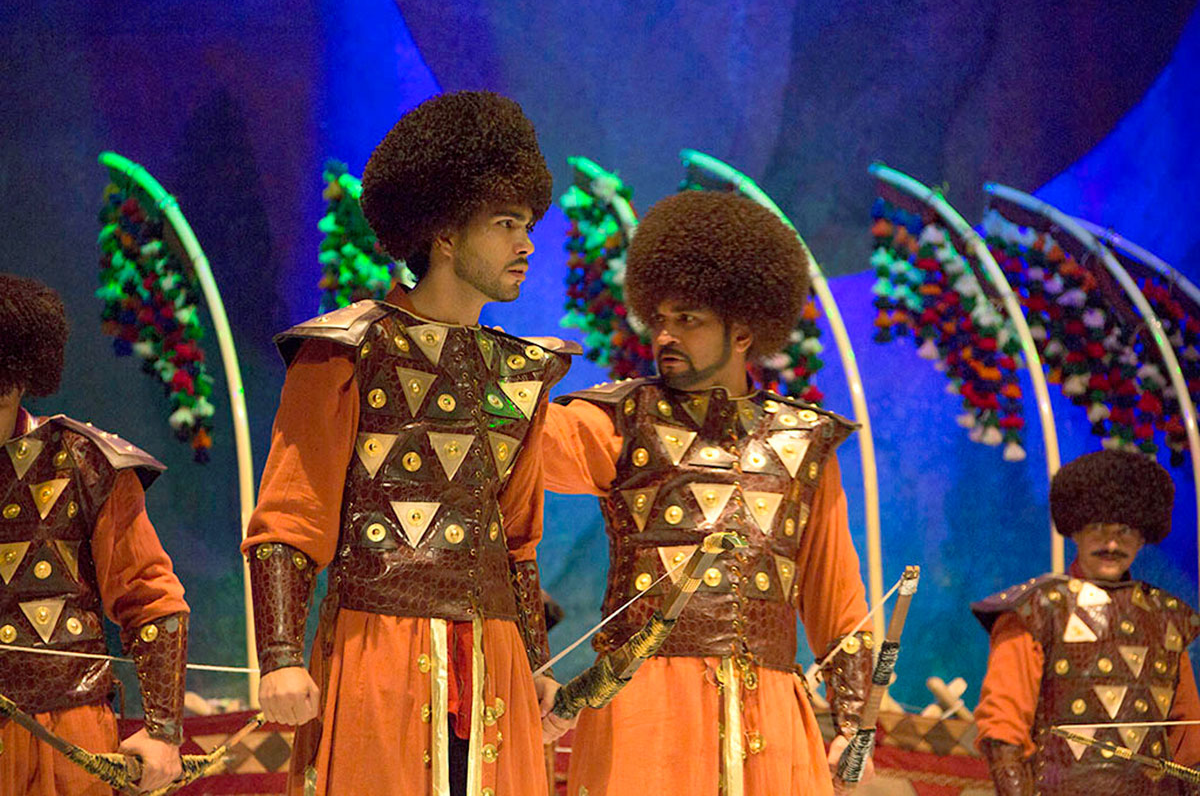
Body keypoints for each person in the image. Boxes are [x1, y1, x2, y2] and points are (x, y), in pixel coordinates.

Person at [244, 91, 576, 795]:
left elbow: (517, 541)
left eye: (528, 225)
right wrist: (280, 657)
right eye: (506, 224)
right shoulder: (343, 351)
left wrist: (538, 662)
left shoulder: (524, 372)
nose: (527, 245)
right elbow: (290, 518)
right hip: (377, 651)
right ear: (445, 235)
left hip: (495, 660)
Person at [542, 190, 874, 795]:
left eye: (687, 319)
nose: (664, 335)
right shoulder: (620, 420)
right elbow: (516, 449)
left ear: (743, 331)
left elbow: (838, 600)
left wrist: (857, 721)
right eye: (659, 319)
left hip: (771, 716)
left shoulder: (807, 443)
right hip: (644, 715)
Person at [0, 274, 188, 794]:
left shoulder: (87, 462)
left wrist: (163, 731)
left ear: (20, 380)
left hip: (66, 735)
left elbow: (150, 596)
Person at [973, 449, 1200, 795]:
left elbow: (1189, 740)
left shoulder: (1168, 618)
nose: (1112, 543)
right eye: (1098, 528)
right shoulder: (1036, 609)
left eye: (1125, 530)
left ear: (1143, 537)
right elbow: (1003, 730)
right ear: (1075, 530)